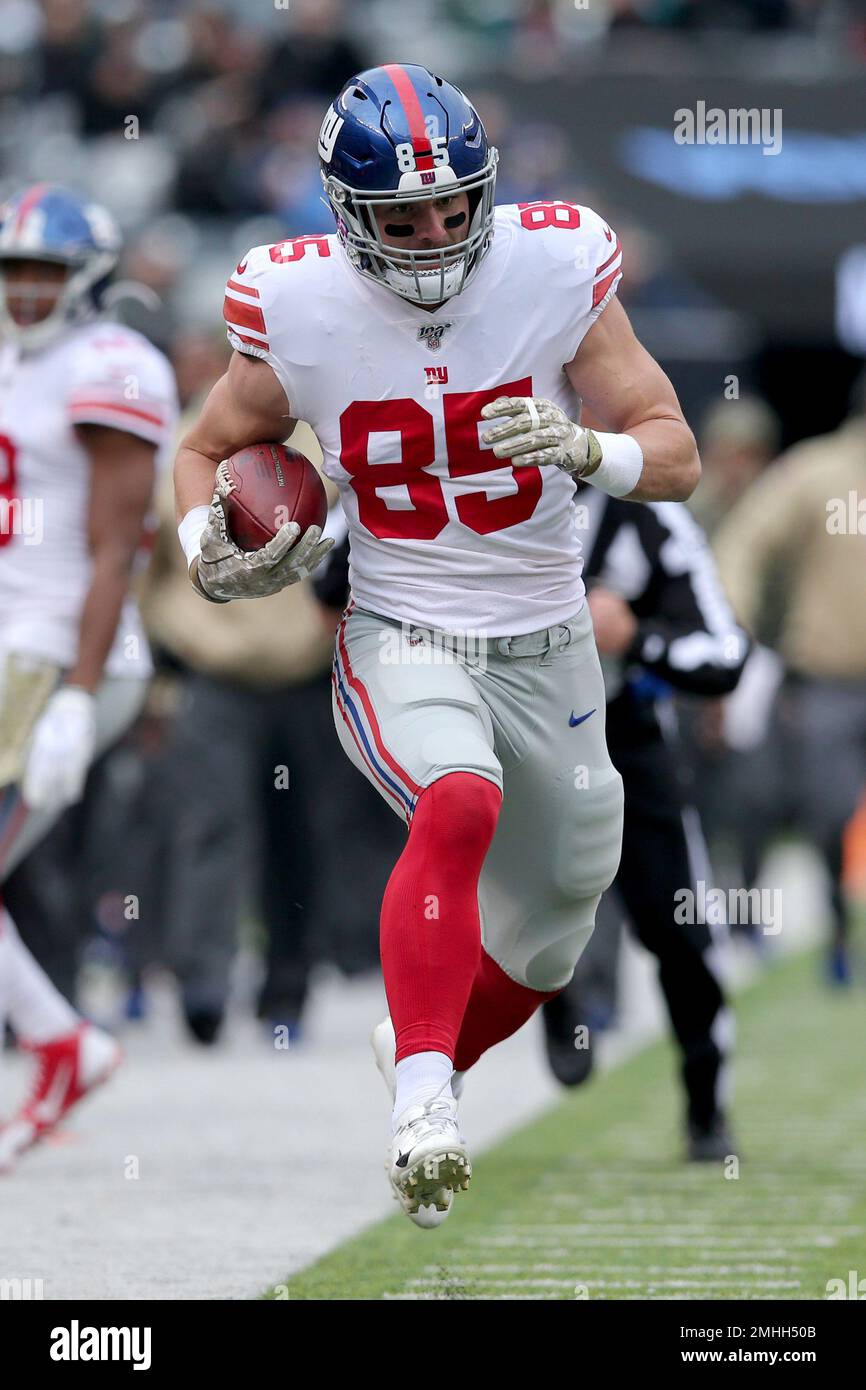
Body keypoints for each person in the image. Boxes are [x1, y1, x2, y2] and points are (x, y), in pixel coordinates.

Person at [173, 65, 700, 1227]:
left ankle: (417, 1052)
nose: (432, 234)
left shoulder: (556, 265)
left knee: (560, 915)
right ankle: (425, 1104)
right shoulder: (295, 300)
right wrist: (199, 542)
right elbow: (207, 446)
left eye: (453, 207)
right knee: (455, 799)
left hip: (547, 634)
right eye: (402, 217)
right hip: (402, 623)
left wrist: (579, 445)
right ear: (341, 209)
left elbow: (673, 450)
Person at [0, 184, 178, 1170]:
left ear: (90, 279)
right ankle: (68, 1043)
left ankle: (65, 1045)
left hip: (59, 652)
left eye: (45, 272)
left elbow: (117, 549)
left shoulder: (112, 364)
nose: (26, 290)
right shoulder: (15, 360)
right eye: (14, 269)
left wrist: (76, 693)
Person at [539, 484, 749, 1160]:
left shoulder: (648, 514)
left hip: (623, 736)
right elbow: (340, 570)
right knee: (486, 912)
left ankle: (705, 1103)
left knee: (680, 924)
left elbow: (724, 652)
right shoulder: (465, 482)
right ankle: (430, 1107)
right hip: (506, 738)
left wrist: (639, 636)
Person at [714, 377, 866, 984]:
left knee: (830, 815)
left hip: (827, 683)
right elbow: (746, 546)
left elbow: (742, 547)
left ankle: (837, 925)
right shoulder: (818, 472)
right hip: (826, 679)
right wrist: (735, 625)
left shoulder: (811, 470)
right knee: (828, 814)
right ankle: (836, 928)